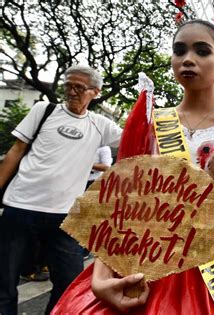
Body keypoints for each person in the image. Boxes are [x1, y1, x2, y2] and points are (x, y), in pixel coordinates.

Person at [51, 19, 214, 314]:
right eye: (179, 50)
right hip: (145, 260)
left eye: (202, 51)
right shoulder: (149, 122)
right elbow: (120, 207)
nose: (188, 59)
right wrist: (100, 277)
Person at [0, 65, 123, 314]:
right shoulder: (43, 111)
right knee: (4, 281)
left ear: (95, 92)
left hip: (65, 218)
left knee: (69, 284)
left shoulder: (101, 125)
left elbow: (139, 136)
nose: (72, 92)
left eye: (79, 87)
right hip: (20, 208)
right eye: (68, 85)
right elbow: (16, 150)